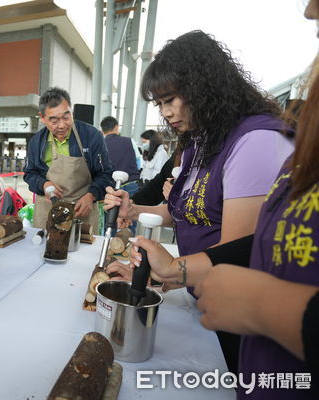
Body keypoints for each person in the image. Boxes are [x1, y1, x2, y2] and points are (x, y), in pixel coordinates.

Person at [104, 30, 295, 374]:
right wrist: (134, 210)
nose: (167, 113)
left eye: (172, 98)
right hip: (204, 301)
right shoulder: (201, 142)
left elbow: (233, 259)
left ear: (205, 86)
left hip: (238, 325)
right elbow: (184, 213)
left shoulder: (256, 143)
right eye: (160, 104)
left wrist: (168, 273)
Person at [23, 87, 114, 230]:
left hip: (83, 211)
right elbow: (29, 174)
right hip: (47, 211)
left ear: (71, 111)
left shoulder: (91, 136)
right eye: (54, 120)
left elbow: (106, 174)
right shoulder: (36, 142)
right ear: (42, 118)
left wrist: (91, 195)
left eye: (66, 117)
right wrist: (43, 184)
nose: (61, 125)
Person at [100, 116, 140, 196]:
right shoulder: (130, 141)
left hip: (109, 186)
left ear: (102, 130)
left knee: (111, 208)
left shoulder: (100, 144)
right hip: (130, 182)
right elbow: (139, 162)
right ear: (116, 127)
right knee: (132, 207)